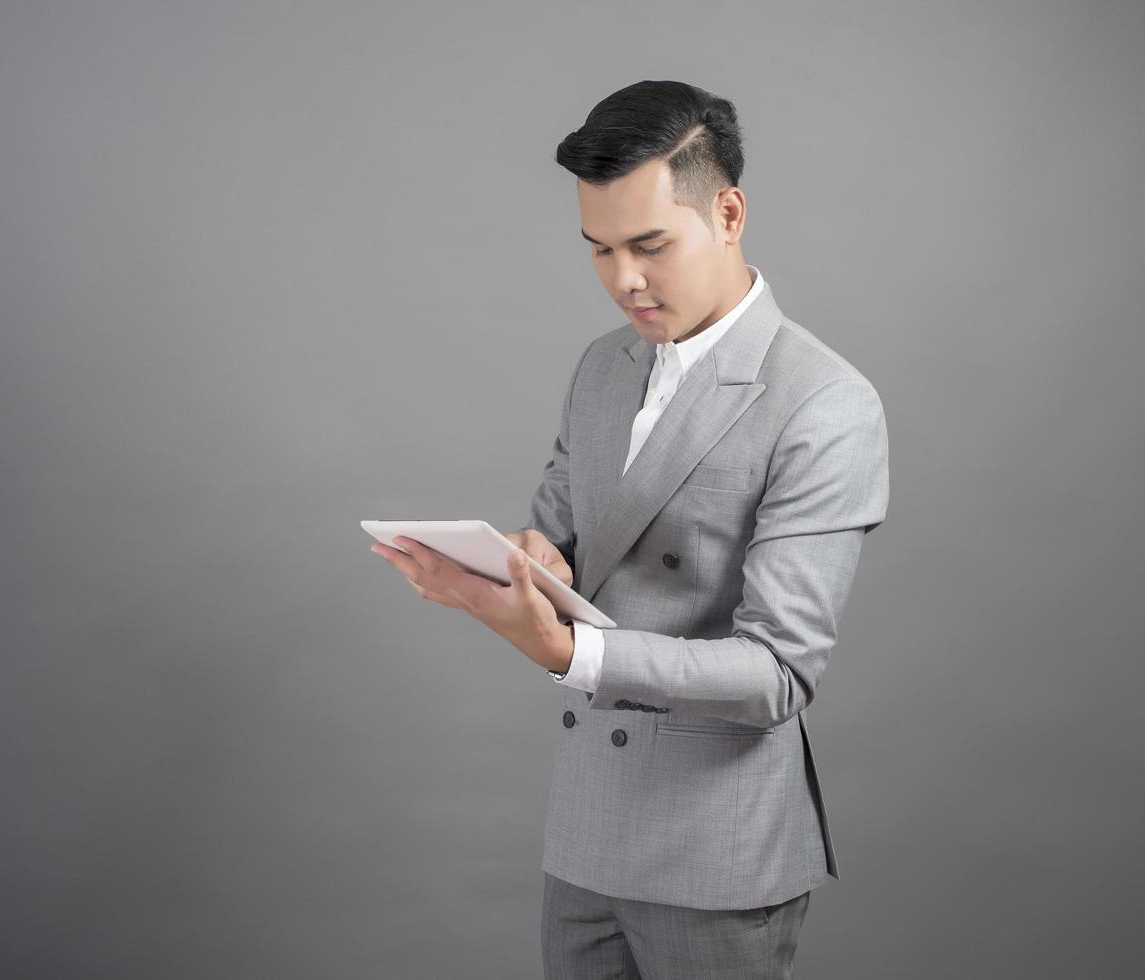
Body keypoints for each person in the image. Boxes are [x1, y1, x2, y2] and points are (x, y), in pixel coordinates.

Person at [371, 79, 889, 979]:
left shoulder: (825, 401)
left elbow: (779, 672)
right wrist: (523, 567)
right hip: (586, 832)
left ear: (728, 213)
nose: (624, 281)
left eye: (650, 245)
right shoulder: (603, 369)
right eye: (600, 250)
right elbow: (561, 535)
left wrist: (572, 653)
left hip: (715, 852)